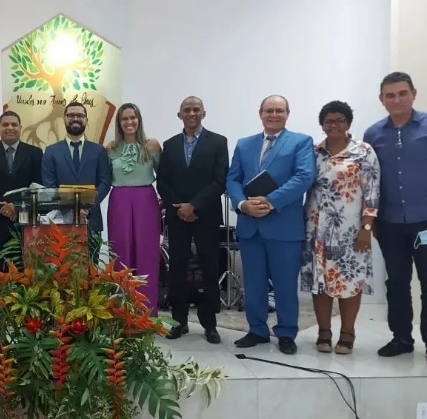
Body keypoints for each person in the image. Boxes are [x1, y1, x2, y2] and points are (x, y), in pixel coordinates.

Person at [226, 95, 316, 355]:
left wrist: (270, 201)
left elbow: (303, 177)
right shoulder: (245, 145)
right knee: (253, 282)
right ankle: (257, 329)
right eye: (269, 110)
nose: (274, 114)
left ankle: (287, 332)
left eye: (279, 110)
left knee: (285, 283)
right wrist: (243, 204)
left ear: (288, 113)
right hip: (250, 225)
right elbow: (233, 179)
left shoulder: (300, 142)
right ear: (260, 113)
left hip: (283, 226)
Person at [301, 100, 379, 355]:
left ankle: (347, 333)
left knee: (349, 282)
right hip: (316, 231)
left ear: (348, 123)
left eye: (340, 120)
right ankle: (324, 331)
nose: (334, 125)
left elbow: (372, 193)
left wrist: (366, 228)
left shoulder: (363, 151)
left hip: (350, 232)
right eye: (329, 121)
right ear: (322, 124)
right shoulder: (313, 152)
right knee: (320, 283)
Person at [364, 71, 427, 357]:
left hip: (425, 220)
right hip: (389, 222)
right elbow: (368, 179)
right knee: (397, 282)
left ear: (413, 93)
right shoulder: (373, 134)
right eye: (390, 95)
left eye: (402, 93)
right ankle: (401, 338)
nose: (397, 99)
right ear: (381, 99)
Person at [157, 97, 228, 343]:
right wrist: (179, 207)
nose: (192, 113)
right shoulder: (170, 144)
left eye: (196, 109)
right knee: (177, 269)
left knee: (210, 268)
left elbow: (219, 180)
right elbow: (162, 181)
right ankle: (179, 322)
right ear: (179, 115)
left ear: (204, 113)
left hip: (206, 215)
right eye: (187, 110)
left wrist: (194, 205)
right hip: (178, 216)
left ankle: (210, 324)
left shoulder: (218, 142)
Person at [104, 103, 162, 315]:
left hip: (146, 199)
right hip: (119, 199)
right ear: (119, 123)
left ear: (139, 119)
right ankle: (123, 310)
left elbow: (164, 177)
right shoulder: (110, 148)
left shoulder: (152, 145)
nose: (129, 122)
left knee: (147, 252)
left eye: (133, 118)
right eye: (124, 119)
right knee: (121, 253)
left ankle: (147, 310)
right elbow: (104, 177)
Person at [42, 102, 111, 263]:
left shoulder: (99, 150)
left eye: (80, 115)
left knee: (90, 271)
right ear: (64, 119)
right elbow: (50, 185)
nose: (75, 119)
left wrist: (86, 207)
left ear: (86, 120)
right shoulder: (51, 151)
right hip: (61, 220)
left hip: (91, 218)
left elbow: (105, 182)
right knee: (61, 272)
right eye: (71, 115)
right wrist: (73, 209)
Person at [0, 110, 43, 271]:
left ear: (20, 127)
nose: (10, 128)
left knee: (27, 267)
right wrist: (1, 207)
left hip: (25, 219)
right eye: (5, 125)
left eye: (14, 124)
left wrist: (16, 207)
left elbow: (39, 185)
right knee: (0, 267)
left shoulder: (35, 153)